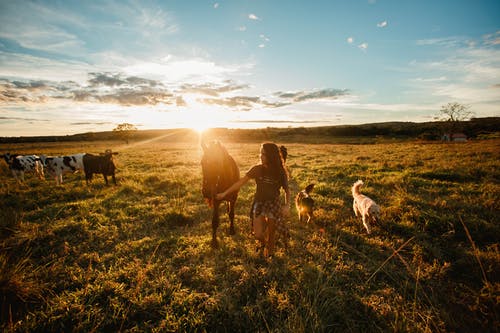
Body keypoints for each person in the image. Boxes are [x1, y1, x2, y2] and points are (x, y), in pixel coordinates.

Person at [216, 142, 291, 257]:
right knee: (258, 235)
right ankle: (263, 243)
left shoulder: (280, 172)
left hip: (273, 204)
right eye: (260, 153)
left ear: (271, 156)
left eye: (264, 154)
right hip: (259, 203)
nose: (261, 156)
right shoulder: (257, 169)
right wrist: (224, 194)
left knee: (271, 234)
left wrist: (287, 205)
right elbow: (240, 182)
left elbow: (287, 190)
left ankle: (270, 255)